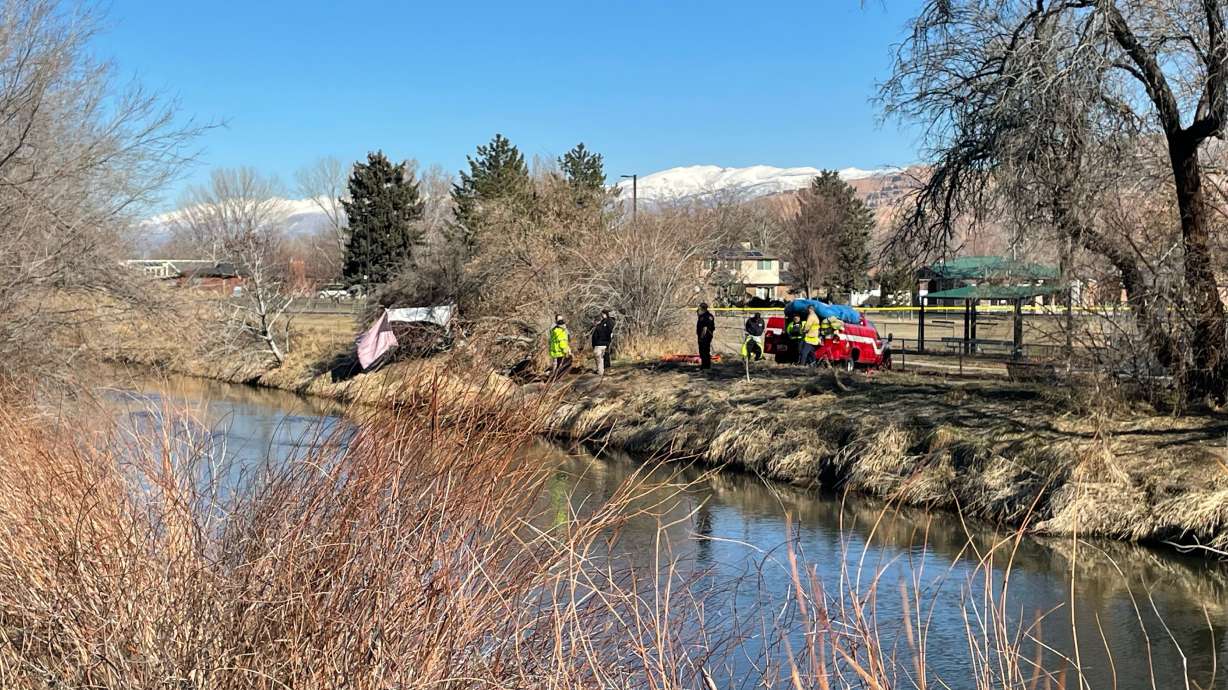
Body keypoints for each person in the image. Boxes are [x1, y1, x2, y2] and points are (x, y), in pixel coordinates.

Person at [591, 309, 615, 375]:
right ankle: (605, 370)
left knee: (600, 358)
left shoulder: (601, 326)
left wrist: (594, 345)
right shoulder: (609, 322)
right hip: (606, 343)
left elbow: (594, 338)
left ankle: (601, 371)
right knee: (605, 356)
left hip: (600, 344)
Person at [548, 315, 572, 380]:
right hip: (559, 351)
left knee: (555, 364)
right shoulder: (561, 331)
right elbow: (562, 343)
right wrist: (567, 351)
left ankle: (553, 377)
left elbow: (550, 340)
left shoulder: (553, 330)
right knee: (559, 365)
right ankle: (556, 378)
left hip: (554, 350)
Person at [696, 303, 716, 370]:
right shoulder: (707, 316)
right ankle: (705, 365)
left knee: (704, 351)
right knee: (704, 351)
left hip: (704, 336)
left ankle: (705, 366)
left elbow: (705, 328)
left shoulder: (705, 316)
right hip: (706, 336)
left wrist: (701, 337)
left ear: (702, 308)